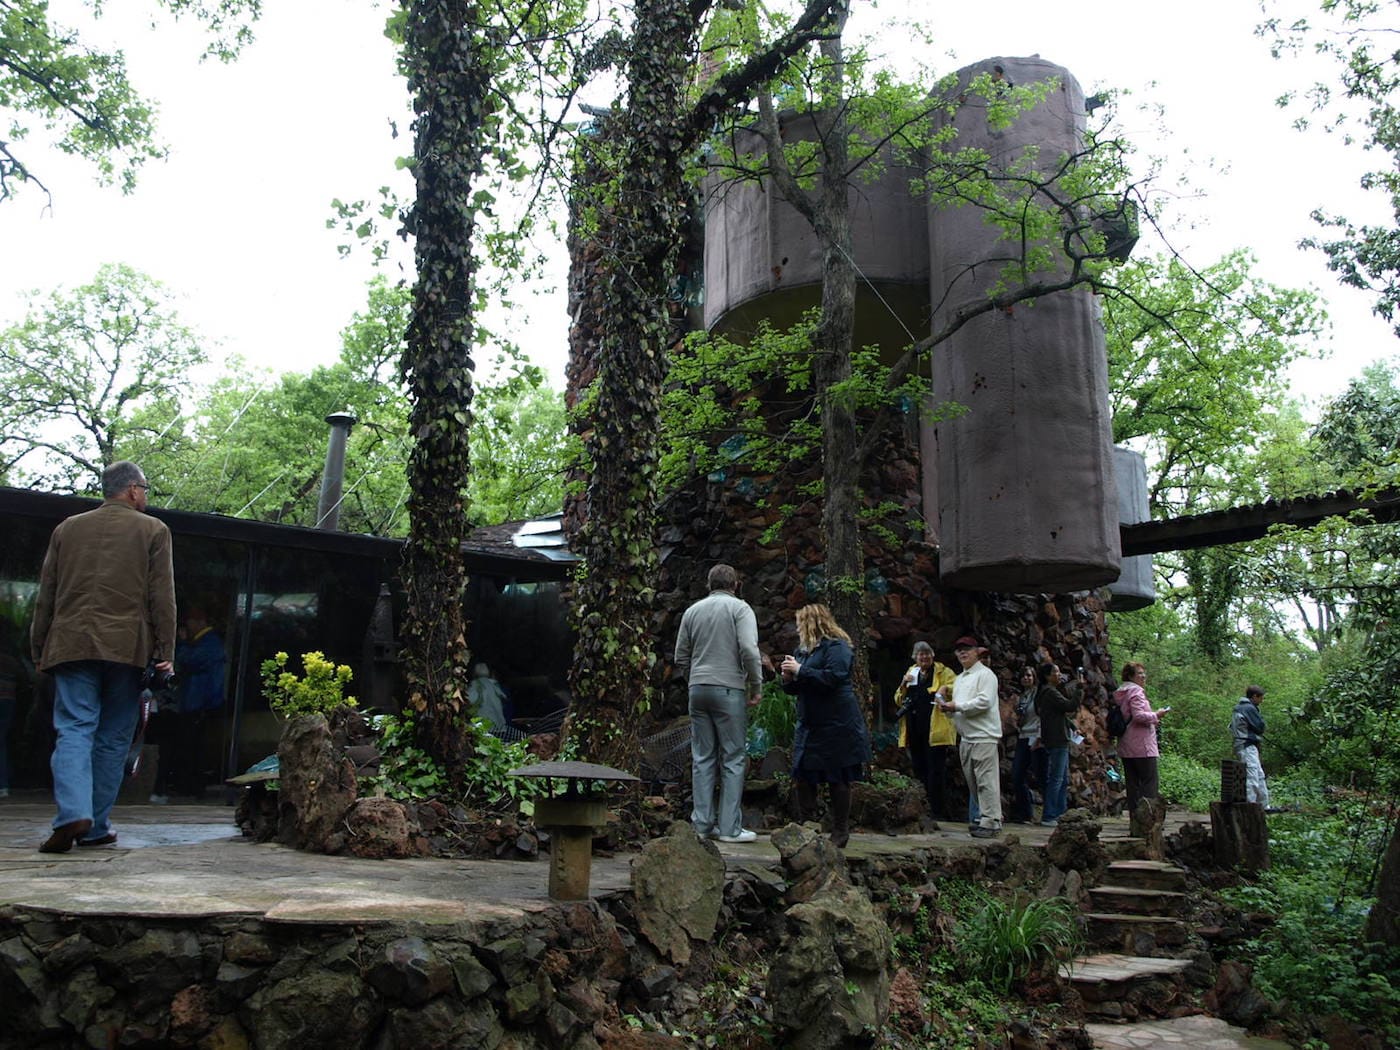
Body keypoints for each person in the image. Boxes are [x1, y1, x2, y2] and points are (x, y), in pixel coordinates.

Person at [30, 461, 176, 852]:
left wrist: (39, 646)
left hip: (71, 643)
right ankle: (94, 827)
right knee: (113, 737)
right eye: (145, 489)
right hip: (127, 648)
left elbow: (47, 593)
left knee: (74, 728)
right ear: (132, 490)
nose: (145, 496)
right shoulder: (154, 530)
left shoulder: (67, 529)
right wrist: (165, 651)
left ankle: (73, 813)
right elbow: (162, 597)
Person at [674, 564, 763, 843]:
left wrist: (694, 679)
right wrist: (755, 684)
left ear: (709, 584)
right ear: (735, 585)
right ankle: (729, 828)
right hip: (729, 688)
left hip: (697, 689)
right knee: (733, 757)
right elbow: (749, 649)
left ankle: (702, 825)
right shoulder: (740, 609)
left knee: (702, 757)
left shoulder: (692, 611)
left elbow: (680, 656)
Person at [779, 604, 871, 848]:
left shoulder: (837, 647)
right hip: (810, 724)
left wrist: (800, 670)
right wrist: (788, 678)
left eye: (800, 623)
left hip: (837, 723)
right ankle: (808, 824)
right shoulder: (803, 651)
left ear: (811, 623)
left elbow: (833, 677)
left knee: (838, 777)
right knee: (802, 775)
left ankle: (840, 830)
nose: (797, 628)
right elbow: (798, 685)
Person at [149, 607, 225, 803]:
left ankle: (190, 787)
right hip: (195, 703)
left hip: (199, 703)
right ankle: (187, 786)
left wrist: (180, 643)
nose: (187, 627)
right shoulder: (206, 642)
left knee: (191, 748)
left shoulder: (209, 643)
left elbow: (188, 660)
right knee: (188, 746)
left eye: (189, 622)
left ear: (199, 622)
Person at [937, 635, 1003, 838]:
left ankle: (992, 821)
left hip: (984, 736)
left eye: (967, 649)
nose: (963, 653)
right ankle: (984, 817)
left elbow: (984, 702)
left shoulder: (986, 675)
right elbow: (958, 709)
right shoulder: (960, 679)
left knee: (986, 781)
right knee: (973, 782)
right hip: (966, 738)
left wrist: (956, 706)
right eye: (959, 650)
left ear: (977, 652)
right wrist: (946, 707)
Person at [894, 640, 957, 820]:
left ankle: (938, 811)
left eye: (927, 654)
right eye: (921, 654)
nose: (924, 657)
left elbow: (956, 688)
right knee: (918, 767)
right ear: (915, 657)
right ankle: (923, 808)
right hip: (914, 728)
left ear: (932, 655)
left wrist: (945, 689)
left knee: (936, 770)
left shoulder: (944, 672)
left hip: (935, 729)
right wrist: (903, 684)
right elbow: (898, 700)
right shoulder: (911, 672)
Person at [1112, 662, 1168, 816]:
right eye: (1139, 673)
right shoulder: (1136, 692)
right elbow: (1138, 716)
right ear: (1130, 676)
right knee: (1149, 783)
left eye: (1144, 673)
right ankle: (1148, 819)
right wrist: (1157, 715)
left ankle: (1135, 818)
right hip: (1142, 745)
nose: (1143, 676)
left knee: (1132, 784)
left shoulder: (1121, 692)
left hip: (1126, 744)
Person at [1034, 664, 1081, 826]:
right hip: (1057, 739)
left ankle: (1060, 813)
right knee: (1056, 778)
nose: (1059, 674)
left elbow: (1058, 714)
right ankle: (1049, 815)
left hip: (1056, 738)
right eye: (1056, 671)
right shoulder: (1050, 692)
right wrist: (1079, 689)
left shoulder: (1047, 692)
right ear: (1048, 676)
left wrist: (1072, 726)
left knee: (1063, 779)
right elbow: (1069, 706)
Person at [1007, 664, 1047, 823]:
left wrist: (1040, 736)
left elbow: (1043, 715)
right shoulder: (1021, 697)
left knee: (1042, 775)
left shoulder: (1039, 694)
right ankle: (1025, 812)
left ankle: (1050, 812)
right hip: (1023, 736)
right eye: (1023, 676)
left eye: (1029, 675)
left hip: (1036, 736)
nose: (1026, 678)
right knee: (1017, 775)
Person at [1230, 685, 1269, 807]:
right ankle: (1250, 806)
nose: (1262, 701)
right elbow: (1260, 727)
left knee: (1259, 775)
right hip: (1246, 744)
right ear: (1254, 696)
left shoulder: (1239, 708)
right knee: (1252, 776)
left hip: (1245, 745)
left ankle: (1263, 805)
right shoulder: (1248, 708)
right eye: (1261, 698)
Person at [467, 663, 509, 731]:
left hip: (482, 724)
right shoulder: (494, 685)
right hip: (498, 725)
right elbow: (504, 698)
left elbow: (469, 699)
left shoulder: (475, 684)